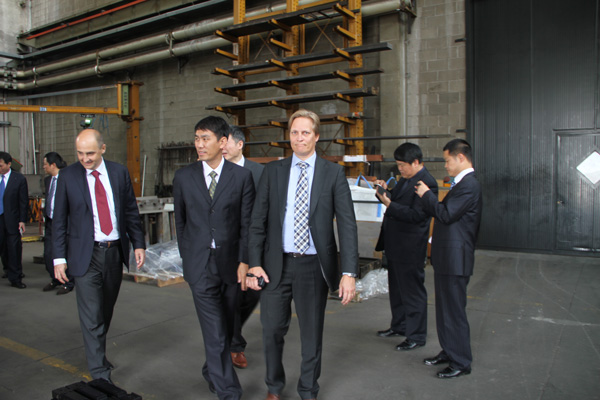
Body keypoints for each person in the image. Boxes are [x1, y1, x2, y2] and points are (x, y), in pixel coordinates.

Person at [246, 109, 358, 400]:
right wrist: (254, 264)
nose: (299, 138)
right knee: (271, 330)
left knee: (311, 334)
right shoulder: (273, 171)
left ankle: (308, 389)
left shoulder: (332, 173)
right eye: (294, 132)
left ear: (316, 136)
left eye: (305, 132)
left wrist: (348, 272)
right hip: (275, 265)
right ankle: (274, 387)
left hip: (313, 266)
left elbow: (347, 225)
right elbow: (257, 221)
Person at [52, 129, 146, 382]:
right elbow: (59, 220)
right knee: (92, 315)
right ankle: (100, 375)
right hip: (85, 254)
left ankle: (98, 356)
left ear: (103, 149)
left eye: (90, 153)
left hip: (114, 252)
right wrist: (58, 258)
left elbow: (130, 210)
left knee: (105, 310)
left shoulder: (118, 173)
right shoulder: (68, 176)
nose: (85, 158)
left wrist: (138, 244)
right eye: (80, 153)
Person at [173, 116, 255, 400]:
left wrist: (244, 261)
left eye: (205, 138)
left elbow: (246, 224)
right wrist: (187, 257)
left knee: (227, 325)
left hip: (231, 265)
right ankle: (229, 391)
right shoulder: (183, 177)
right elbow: (181, 222)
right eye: (197, 138)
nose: (199, 144)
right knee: (216, 330)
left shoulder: (241, 177)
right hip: (199, 265)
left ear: (222, 142)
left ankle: (212, 370)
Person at [415, 138, 482, 379]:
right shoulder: (460, 184)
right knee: (444, 310)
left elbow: (446, 214)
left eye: (447, 161)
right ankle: (449, 350)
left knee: (453, 311)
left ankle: (461, 362)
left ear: (460, 157)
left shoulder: (469, 185)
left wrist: (426, 195)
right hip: (447, 258)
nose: (446, 165)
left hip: (456, 260)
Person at [374, 143, 438, 351]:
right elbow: (397, 198)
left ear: (416, 162)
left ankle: (416, 335)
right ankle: (399, 326)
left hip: (410, 247)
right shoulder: (406, 179)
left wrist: (389, 204)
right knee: (397, 290)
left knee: (412, 292)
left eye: (403, 165)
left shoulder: (427, 183)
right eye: (398, 165)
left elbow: (416, 215)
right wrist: (384, 191)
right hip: (396, 244)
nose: (399, 169)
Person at [222, 125, 264, 369]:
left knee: (252, 293)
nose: (222, 146)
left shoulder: (259, 172)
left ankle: (230, 334)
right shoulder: (216, 171)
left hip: (254, 244)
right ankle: (234, 345)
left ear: (240, 144)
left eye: (226, 141)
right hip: (226, 247)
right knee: (231, 295)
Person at [42, 152, 74, 294]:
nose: (44, 167)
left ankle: (68, 282)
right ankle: (55, 278)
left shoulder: (68, 179)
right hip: (51, 222)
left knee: (65, 253)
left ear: (53, 165)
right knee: (49, 253)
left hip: (65, 223)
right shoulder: (48, 180)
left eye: (45, 164)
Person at [0, 151, 28, 289]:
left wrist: (22, 220)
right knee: (3, 248)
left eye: (0, 165)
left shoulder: (19, 179)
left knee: (14, 249)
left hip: (12, 219)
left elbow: (23, 202)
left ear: (9, 164)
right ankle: (7, 269)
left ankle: (16, 278)